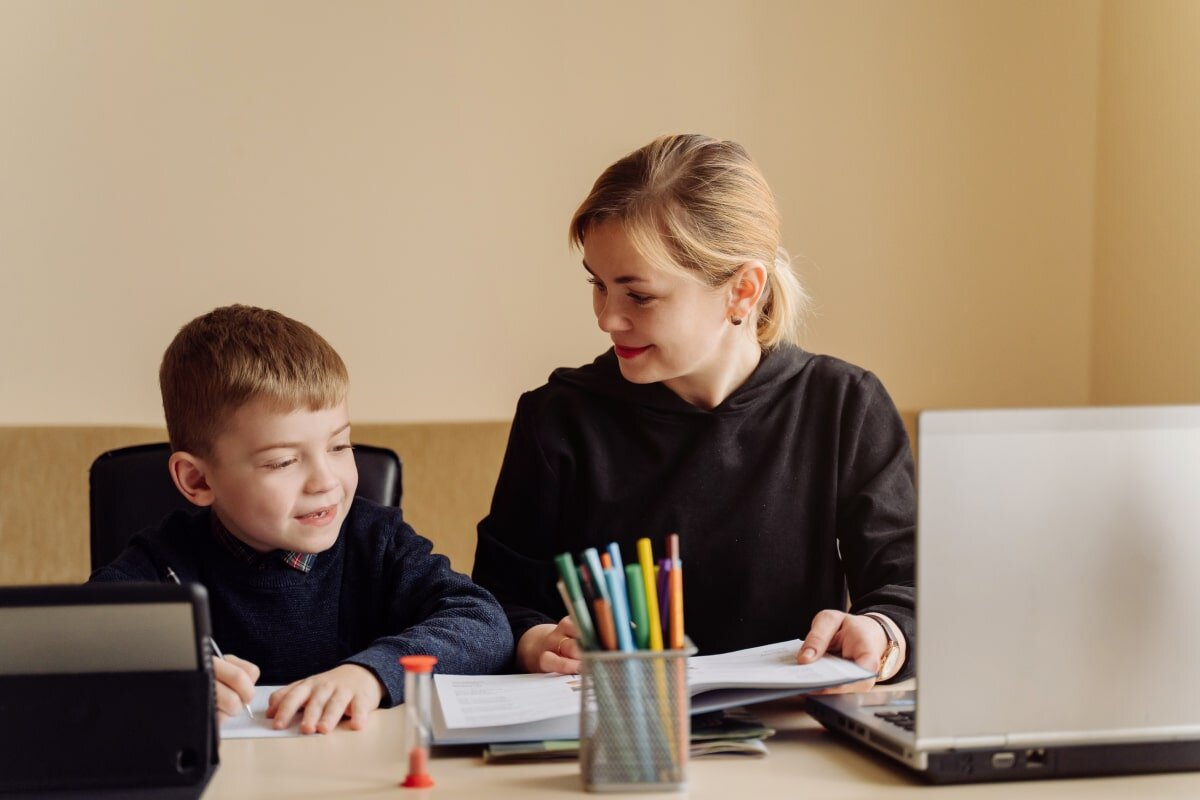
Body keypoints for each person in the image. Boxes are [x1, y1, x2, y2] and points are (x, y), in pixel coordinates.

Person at [473, 134, 914, 689]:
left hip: (797, 741)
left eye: (639, 295)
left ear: (742, 291)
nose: (607, 318)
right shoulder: (557, 418)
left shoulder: (845, 406)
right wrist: (535, 642)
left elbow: (908, 590)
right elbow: (494, 606)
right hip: (618, 744)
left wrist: (881, 632)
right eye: (598, 285)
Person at [91, 305, 512, 733]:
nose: (326, 481)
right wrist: (160, 679)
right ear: (198, 479)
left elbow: (484, 624)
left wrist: (371, 673)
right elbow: (69, 645)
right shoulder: (163, 562)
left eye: (339, 446)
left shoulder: (376, 541)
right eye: (283, 461)